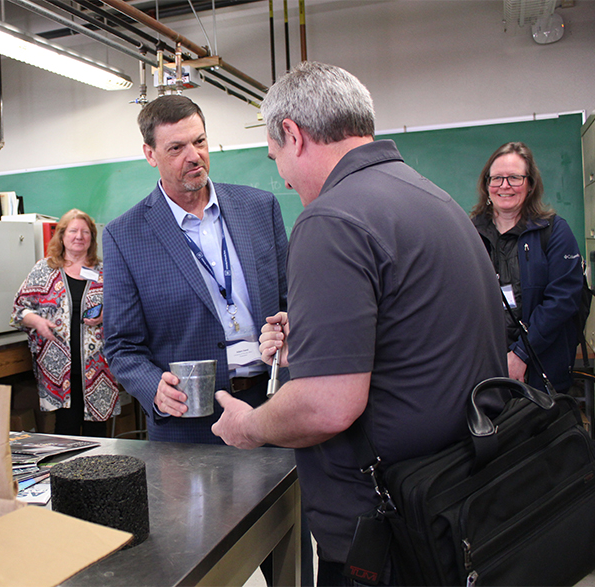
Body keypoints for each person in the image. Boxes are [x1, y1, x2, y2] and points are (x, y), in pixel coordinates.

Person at [211, 61, 508, 587]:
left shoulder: (331, 219)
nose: (281, 174)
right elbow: (414, 337)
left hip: (388, 531)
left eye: (275, 155)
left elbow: (328, 405)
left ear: (294, 136)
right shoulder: (432, 198)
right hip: (457, 500)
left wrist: (250, 425)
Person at [102, 94, 288, 444]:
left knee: (282, 500)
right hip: (189, 421)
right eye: (176, 149)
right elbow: (122, 345)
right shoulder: (124, 236)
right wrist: (153, 387)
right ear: (149, 154)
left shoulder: (259, 208)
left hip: (271, 404)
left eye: (199, 142)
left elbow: (292, 299)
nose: (194, 157)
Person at [471, 142, 584, 393]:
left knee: (539, 430)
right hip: (484, 368)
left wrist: (521, 354)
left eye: (514, 178)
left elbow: (562, 301)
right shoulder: (468, 233)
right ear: (486, 185)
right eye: (497, 178)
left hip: (542, 367)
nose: (505, 186)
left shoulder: (554, 231)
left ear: (530, 184)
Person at [10, 209, 119, 437]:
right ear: (62, 236)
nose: (79, 236)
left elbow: (125, 309)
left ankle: (99, 473)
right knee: (65, 430)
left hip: (99, 367)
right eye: (73, 231)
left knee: (98, 431)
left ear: (92, 237)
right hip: (59, 369)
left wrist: (106, 314)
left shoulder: (104, 272)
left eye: (85, 231)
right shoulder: (44, 269)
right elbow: (19, 310)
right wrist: (38, 321)